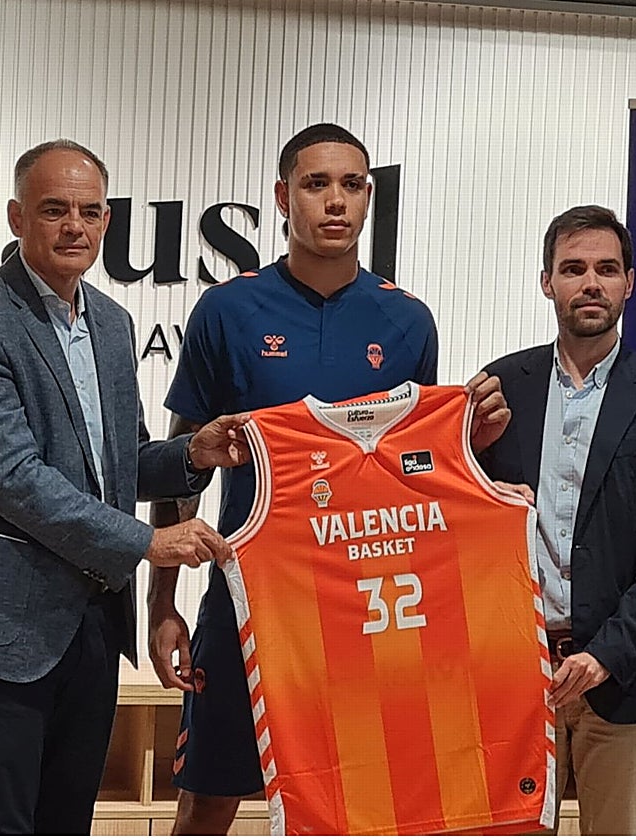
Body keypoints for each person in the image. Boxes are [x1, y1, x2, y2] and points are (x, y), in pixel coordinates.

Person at [148, 122, 510, 834]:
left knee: (361, 796)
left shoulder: (407, 319)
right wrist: (163, 602)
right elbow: (182, 460)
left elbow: (414, 473)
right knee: (210, 796)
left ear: (370, 197)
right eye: (316, 185)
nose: (335, 201)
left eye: (351, 185)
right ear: (284, 198)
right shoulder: (227, 311)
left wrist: (476, 451)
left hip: (363, 604)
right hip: (248, 592)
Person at [0, 139, 248, 835]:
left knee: (68, 824)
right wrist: (147, 541)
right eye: (54, 209)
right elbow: (12, 479)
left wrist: (194, 451)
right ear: (14, 217)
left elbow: (116, 464)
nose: (76, 226)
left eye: (91, 211)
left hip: (93, 628)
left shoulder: (111, 323)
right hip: (1, 632)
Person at [477, 205, 636, 836]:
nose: (591, 283)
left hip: (626, 679)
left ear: (629, 282)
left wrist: (604, 653)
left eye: (607, 269)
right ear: (546, 282)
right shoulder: (498, 390)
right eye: (573, 268)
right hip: (513, 672)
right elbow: (454, 519)